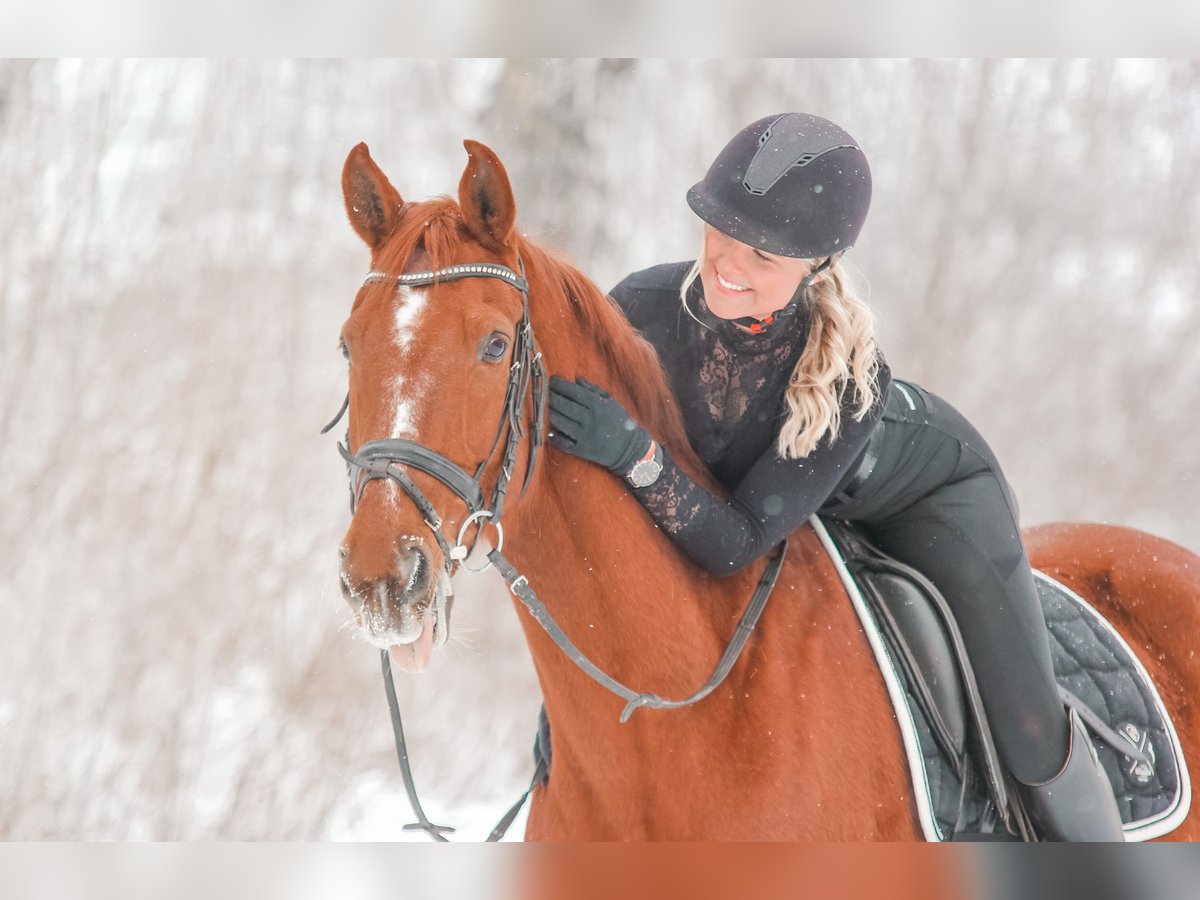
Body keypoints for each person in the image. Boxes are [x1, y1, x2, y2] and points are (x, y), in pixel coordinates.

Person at [546, 112, 1124, 841]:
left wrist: (633, 453)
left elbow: (734, 543)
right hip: (788, 502)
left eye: (762, 254)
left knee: (1029, 726)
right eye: (719, 230)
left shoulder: (850, 379)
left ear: (816, 266)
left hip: (932, 499)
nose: (728, 261)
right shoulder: (640, 308)